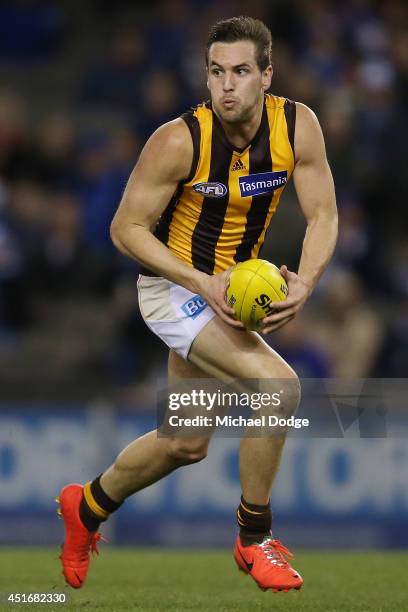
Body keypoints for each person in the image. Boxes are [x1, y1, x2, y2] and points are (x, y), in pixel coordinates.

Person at [57, 16, 337, 593]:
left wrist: (306, 281)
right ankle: (254, 537)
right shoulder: (178, 139)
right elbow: (125, 228)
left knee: (185, 441)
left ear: (267, 75)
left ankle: (84, 508)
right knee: (278, 387)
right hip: (174, 290)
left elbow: (324, 215)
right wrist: (201, 282)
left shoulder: (298, 127)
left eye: (240, 71)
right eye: (216, 72)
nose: (226, 85)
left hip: (227, 293)